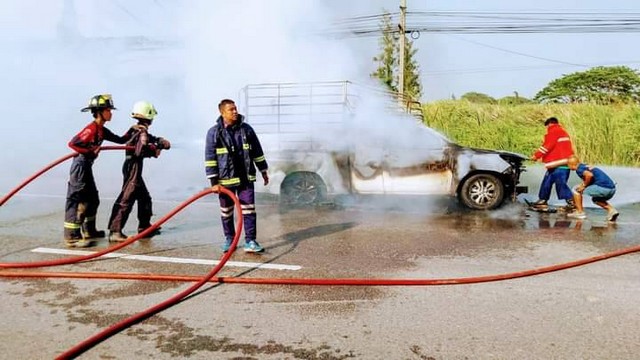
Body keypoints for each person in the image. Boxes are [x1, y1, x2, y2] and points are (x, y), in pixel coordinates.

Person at [64, 94, 134, 248]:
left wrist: (133, 129)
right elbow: (73, 143)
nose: (111, 113)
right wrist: (90, 152)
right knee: (77, 200)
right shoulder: (91, 129)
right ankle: (72, 237)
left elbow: (121, 140)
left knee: (93, 199)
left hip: (87, 167)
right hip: (80, 167)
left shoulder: (102, 130)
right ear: (100, 111)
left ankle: (89, 230)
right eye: (109, 110)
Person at [205, 99, 269, 253]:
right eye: (231, 109)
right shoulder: (214, 133)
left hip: (245, 179)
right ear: (222, 112)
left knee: (249, 210)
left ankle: (250, 241)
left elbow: (257, 152)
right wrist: (214, 182)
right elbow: (210, 158)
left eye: (235, 108)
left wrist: (263, 170)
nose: (235, 112)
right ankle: (229, 239)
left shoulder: (246, 130)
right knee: (226, 211)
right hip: (224, 180)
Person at [107, 101, 171, 242]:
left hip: (131, 166)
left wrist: (160, 140)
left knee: (144, 198)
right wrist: (155, 150)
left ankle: (145, 227)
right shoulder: (141, 131)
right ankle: (115, 231)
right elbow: (140, 150)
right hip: (133, 167)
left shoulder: (136, 129)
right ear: (149, 116)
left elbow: (146, 139)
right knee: (127, 198)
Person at [530, 117, 575, 210]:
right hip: (558, 164)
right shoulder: (563, 132)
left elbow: (547, 146)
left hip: (560, 164)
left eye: (546, 127)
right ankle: (542, 200)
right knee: (547, 181)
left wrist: (536, 156)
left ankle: (572, 202)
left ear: (549, 124)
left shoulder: (554, 131)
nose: (546, 129)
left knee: (560, 183)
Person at [566, 156, 619, 221]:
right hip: (612, 189)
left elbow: (589, 175)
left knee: (576, 189)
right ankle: (612, 210)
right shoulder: (584, 166)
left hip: (603, 188)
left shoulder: (579, 169)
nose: (568, 167)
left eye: (568, 165)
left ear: (572, 165)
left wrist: (583, 185)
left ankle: (580, 213)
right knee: (596, 199)